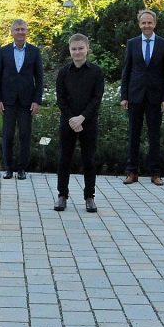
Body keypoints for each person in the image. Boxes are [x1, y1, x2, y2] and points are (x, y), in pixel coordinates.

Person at [120, 9, 164, 185]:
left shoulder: (163, 44)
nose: (147, 25)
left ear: (154, 24)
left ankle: (155, 173)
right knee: (133, 135)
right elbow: (126, 71)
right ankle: (131, 172)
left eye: (150, 22)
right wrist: (124, 96)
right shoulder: (132, 43)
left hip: (155, 98)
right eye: (144, 23)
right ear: (139, 24)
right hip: (135, 95)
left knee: (154, 136)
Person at [54, 34, 105, 213]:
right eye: (74, 49)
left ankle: (89, 197)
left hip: (88, 122)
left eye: (80, 48)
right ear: (70, 50)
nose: (77, 52)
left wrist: (82, 117)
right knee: (64, 159)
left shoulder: (96, 72)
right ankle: (62, 195)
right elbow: (60, 99)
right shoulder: (63, 73)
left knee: (89, 160)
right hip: (68, 121)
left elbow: (96, 98)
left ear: (87, 49)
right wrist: (72, 119)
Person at [0, 19, 43, 180]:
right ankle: (8, 168)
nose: (20, 32)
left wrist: (37, 101)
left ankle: (22, 168)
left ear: (26, 31)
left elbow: (39, 78)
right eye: (17, 29)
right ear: (12, 32)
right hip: (7, 100)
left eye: (23, 29)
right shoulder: (3, 51)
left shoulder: (34, 51)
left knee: (24, 134)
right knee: (7, 134)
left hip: (27, 101)